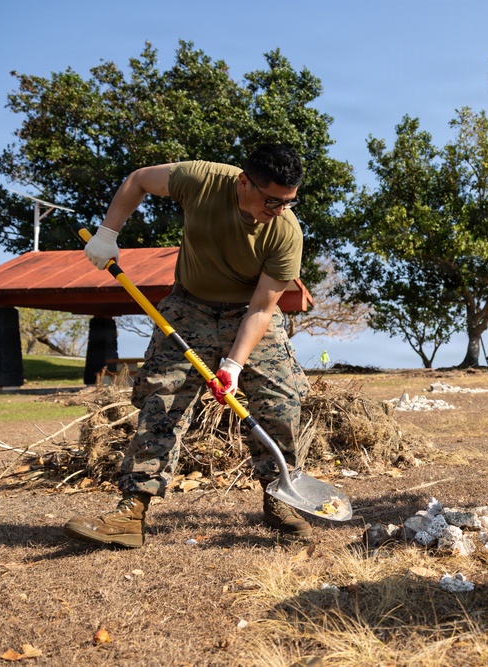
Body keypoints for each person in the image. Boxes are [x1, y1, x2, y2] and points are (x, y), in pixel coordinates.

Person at [63, 144, 314, 548]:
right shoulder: (201, 179)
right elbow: (139, 180)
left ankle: (279, 496)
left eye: (289, 201)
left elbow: (263, 308)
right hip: (189, 306)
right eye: (272, 200)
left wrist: (232, 365)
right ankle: (132, 510)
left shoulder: (286, 232)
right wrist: (109, 232)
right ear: (244, 182)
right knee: (161, 400)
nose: (280, 209)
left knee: (281, 401)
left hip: (248, 315)